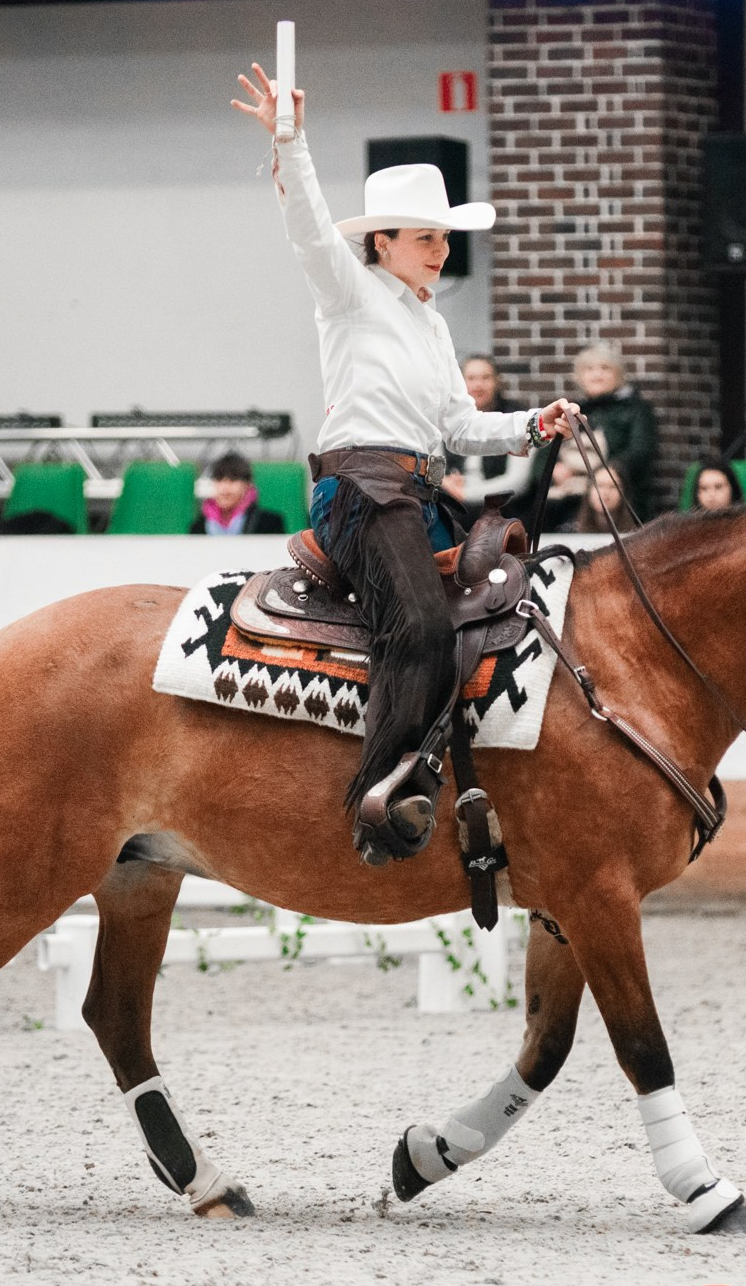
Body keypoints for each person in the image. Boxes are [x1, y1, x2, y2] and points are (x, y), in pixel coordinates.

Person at [235, 63, 577, 866]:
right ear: (381, 243)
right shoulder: (348, 293)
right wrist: (290, 140)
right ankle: (379, 797)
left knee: (484, 611)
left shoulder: (430, 325)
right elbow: (311, 228)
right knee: (421, 621)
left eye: (445, 236)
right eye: (427, 236)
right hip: (360, 489)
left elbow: (456, 422)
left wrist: (534, 424)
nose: (442, 248)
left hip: (418, 493)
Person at [531, 343, 659, 527]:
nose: (597, 375)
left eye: (605, 368)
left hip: (611, 497)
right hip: (565, 497)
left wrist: (600, 476)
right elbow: (542, 457)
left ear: (619, 374)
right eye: (589, 369)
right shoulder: (571, 409)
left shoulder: (636, 410)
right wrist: (555, 470)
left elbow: (640, 452)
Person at [442, 355, 533, 514]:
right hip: (453, 504)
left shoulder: (517, 418)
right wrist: (444, 482)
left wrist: (465, 494)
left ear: (497, 381)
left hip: (501, 507)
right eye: (471, 378)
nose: (478, 384)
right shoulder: (445, 416)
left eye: (486, 378)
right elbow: (432, 461)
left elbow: (517, 481)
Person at [189, 452, 285, 534]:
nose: (224, 489)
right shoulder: (198, 527)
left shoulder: (269, 523)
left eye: (232, 480)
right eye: (219, 480)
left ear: (247, 485)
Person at [567, 465, 630, 533]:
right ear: (589, 490)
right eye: (599, 486)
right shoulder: (569, 532)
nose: (605, 493)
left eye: (613, 486)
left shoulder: (636, 532)